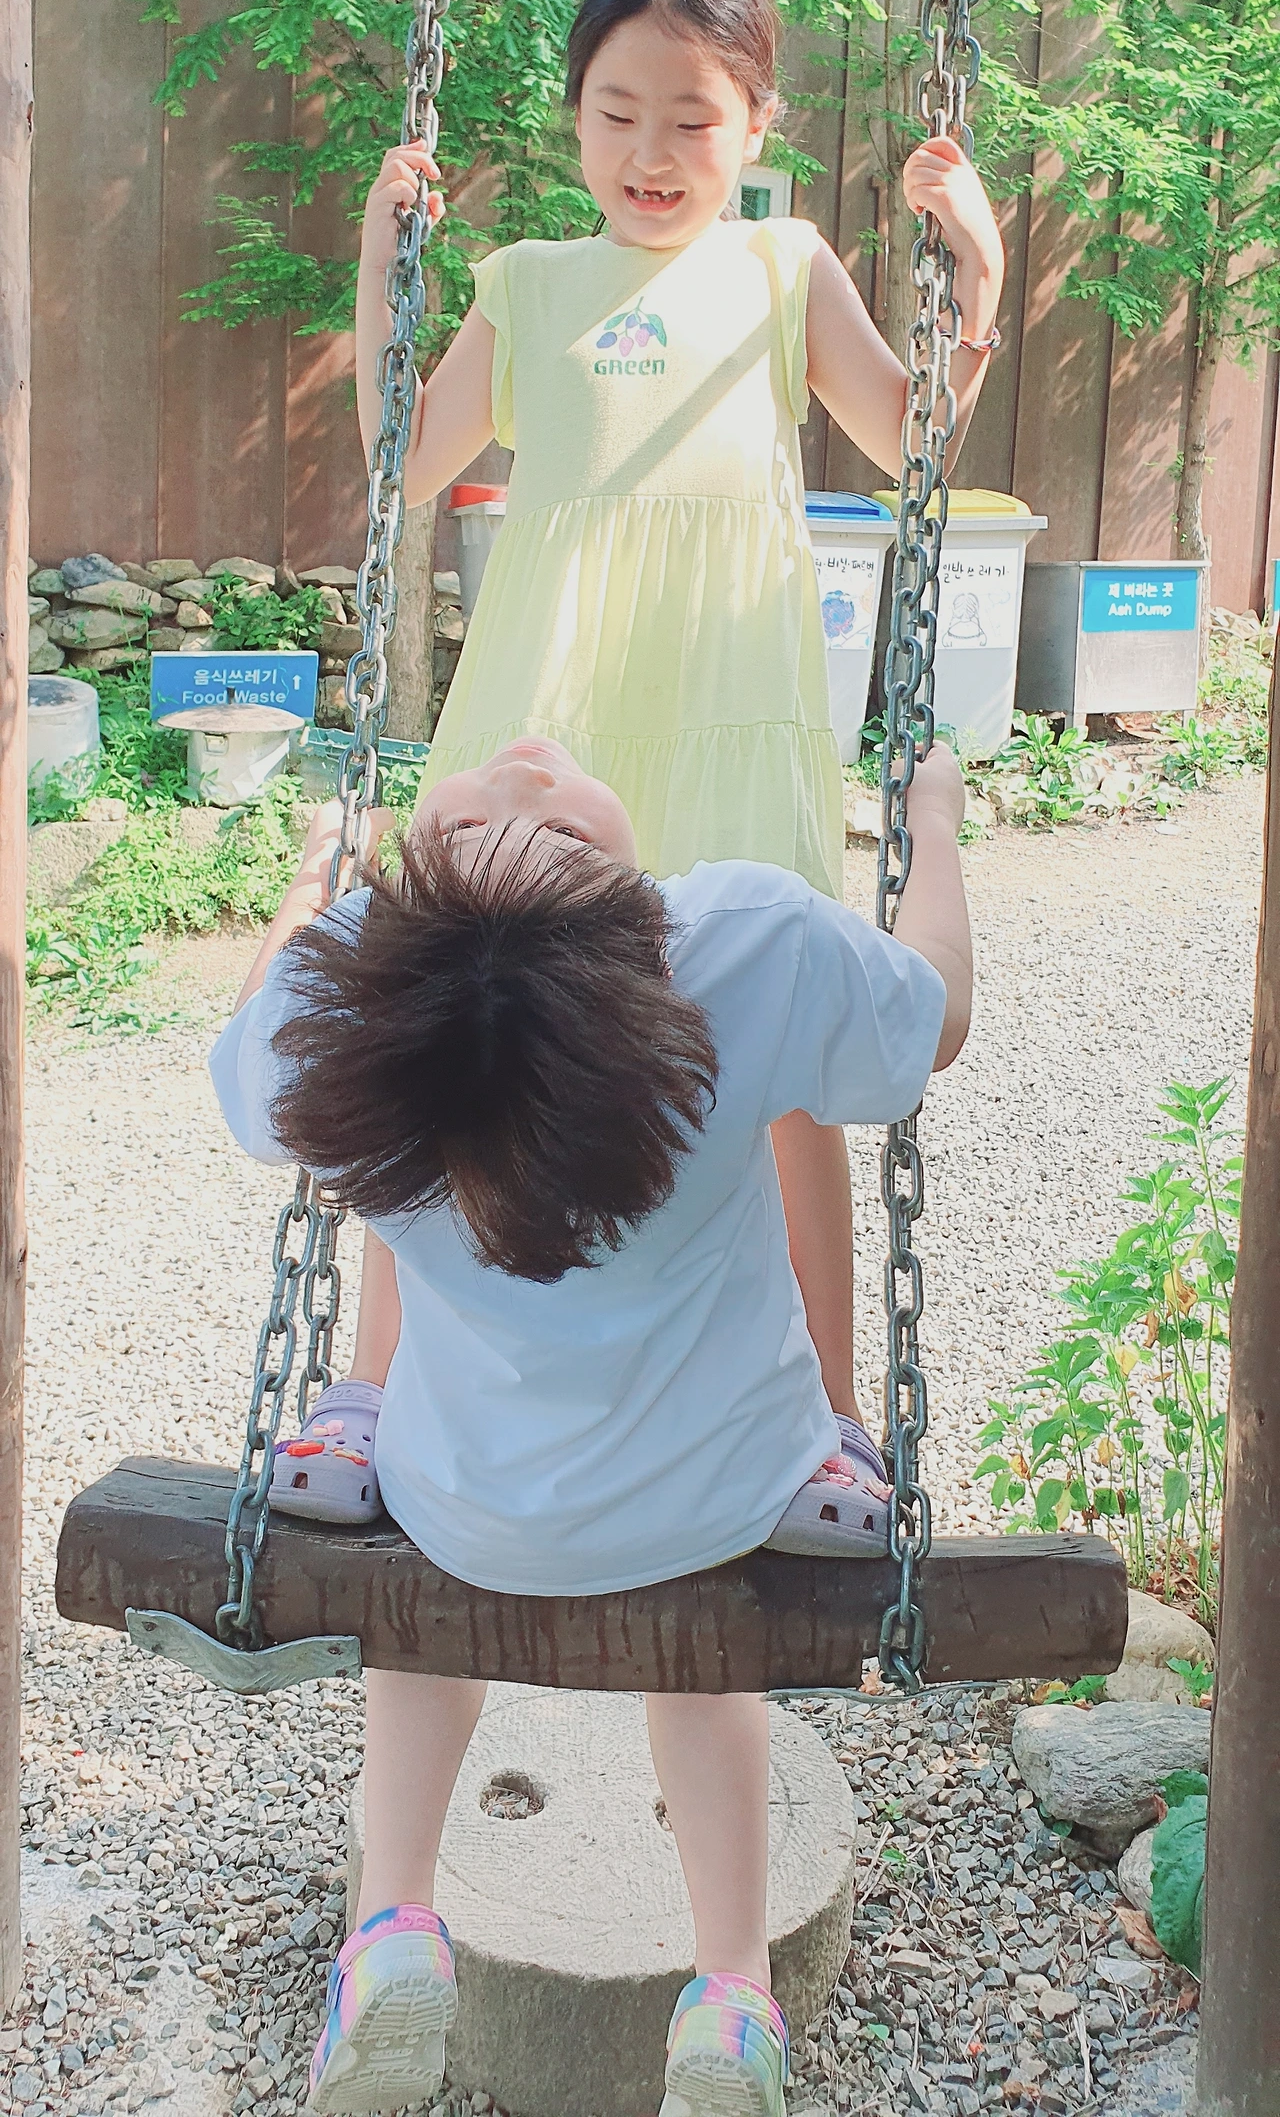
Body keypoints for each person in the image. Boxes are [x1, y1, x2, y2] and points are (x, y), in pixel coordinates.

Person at [276, 0, 1002, 1533]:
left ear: (757, 125)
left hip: (729, 704)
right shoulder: (530, 286)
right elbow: (409, 453)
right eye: (616, 113)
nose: (651, 152)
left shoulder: (783, 270)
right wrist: (383, 264)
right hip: (547, 714)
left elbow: (914, 444)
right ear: (575, 117)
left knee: (785, 1064)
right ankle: (368, 1394)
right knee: (453, 1041)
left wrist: (978, 278)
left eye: (692, 117)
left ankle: (828, 1422)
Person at [210, 734, 972, 2117]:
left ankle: (393, 1927)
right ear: (628, 900)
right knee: (706, 1662)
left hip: (465, 1507)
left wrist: (314, 889)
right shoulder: (737, 948)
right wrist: (934, 822)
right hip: (728, 1495)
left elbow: (246, 1064)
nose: (521, 763)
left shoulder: (347, 995)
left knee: (418, 1613)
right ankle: (731, 1993)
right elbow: (941, 1020)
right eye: (524, 823)